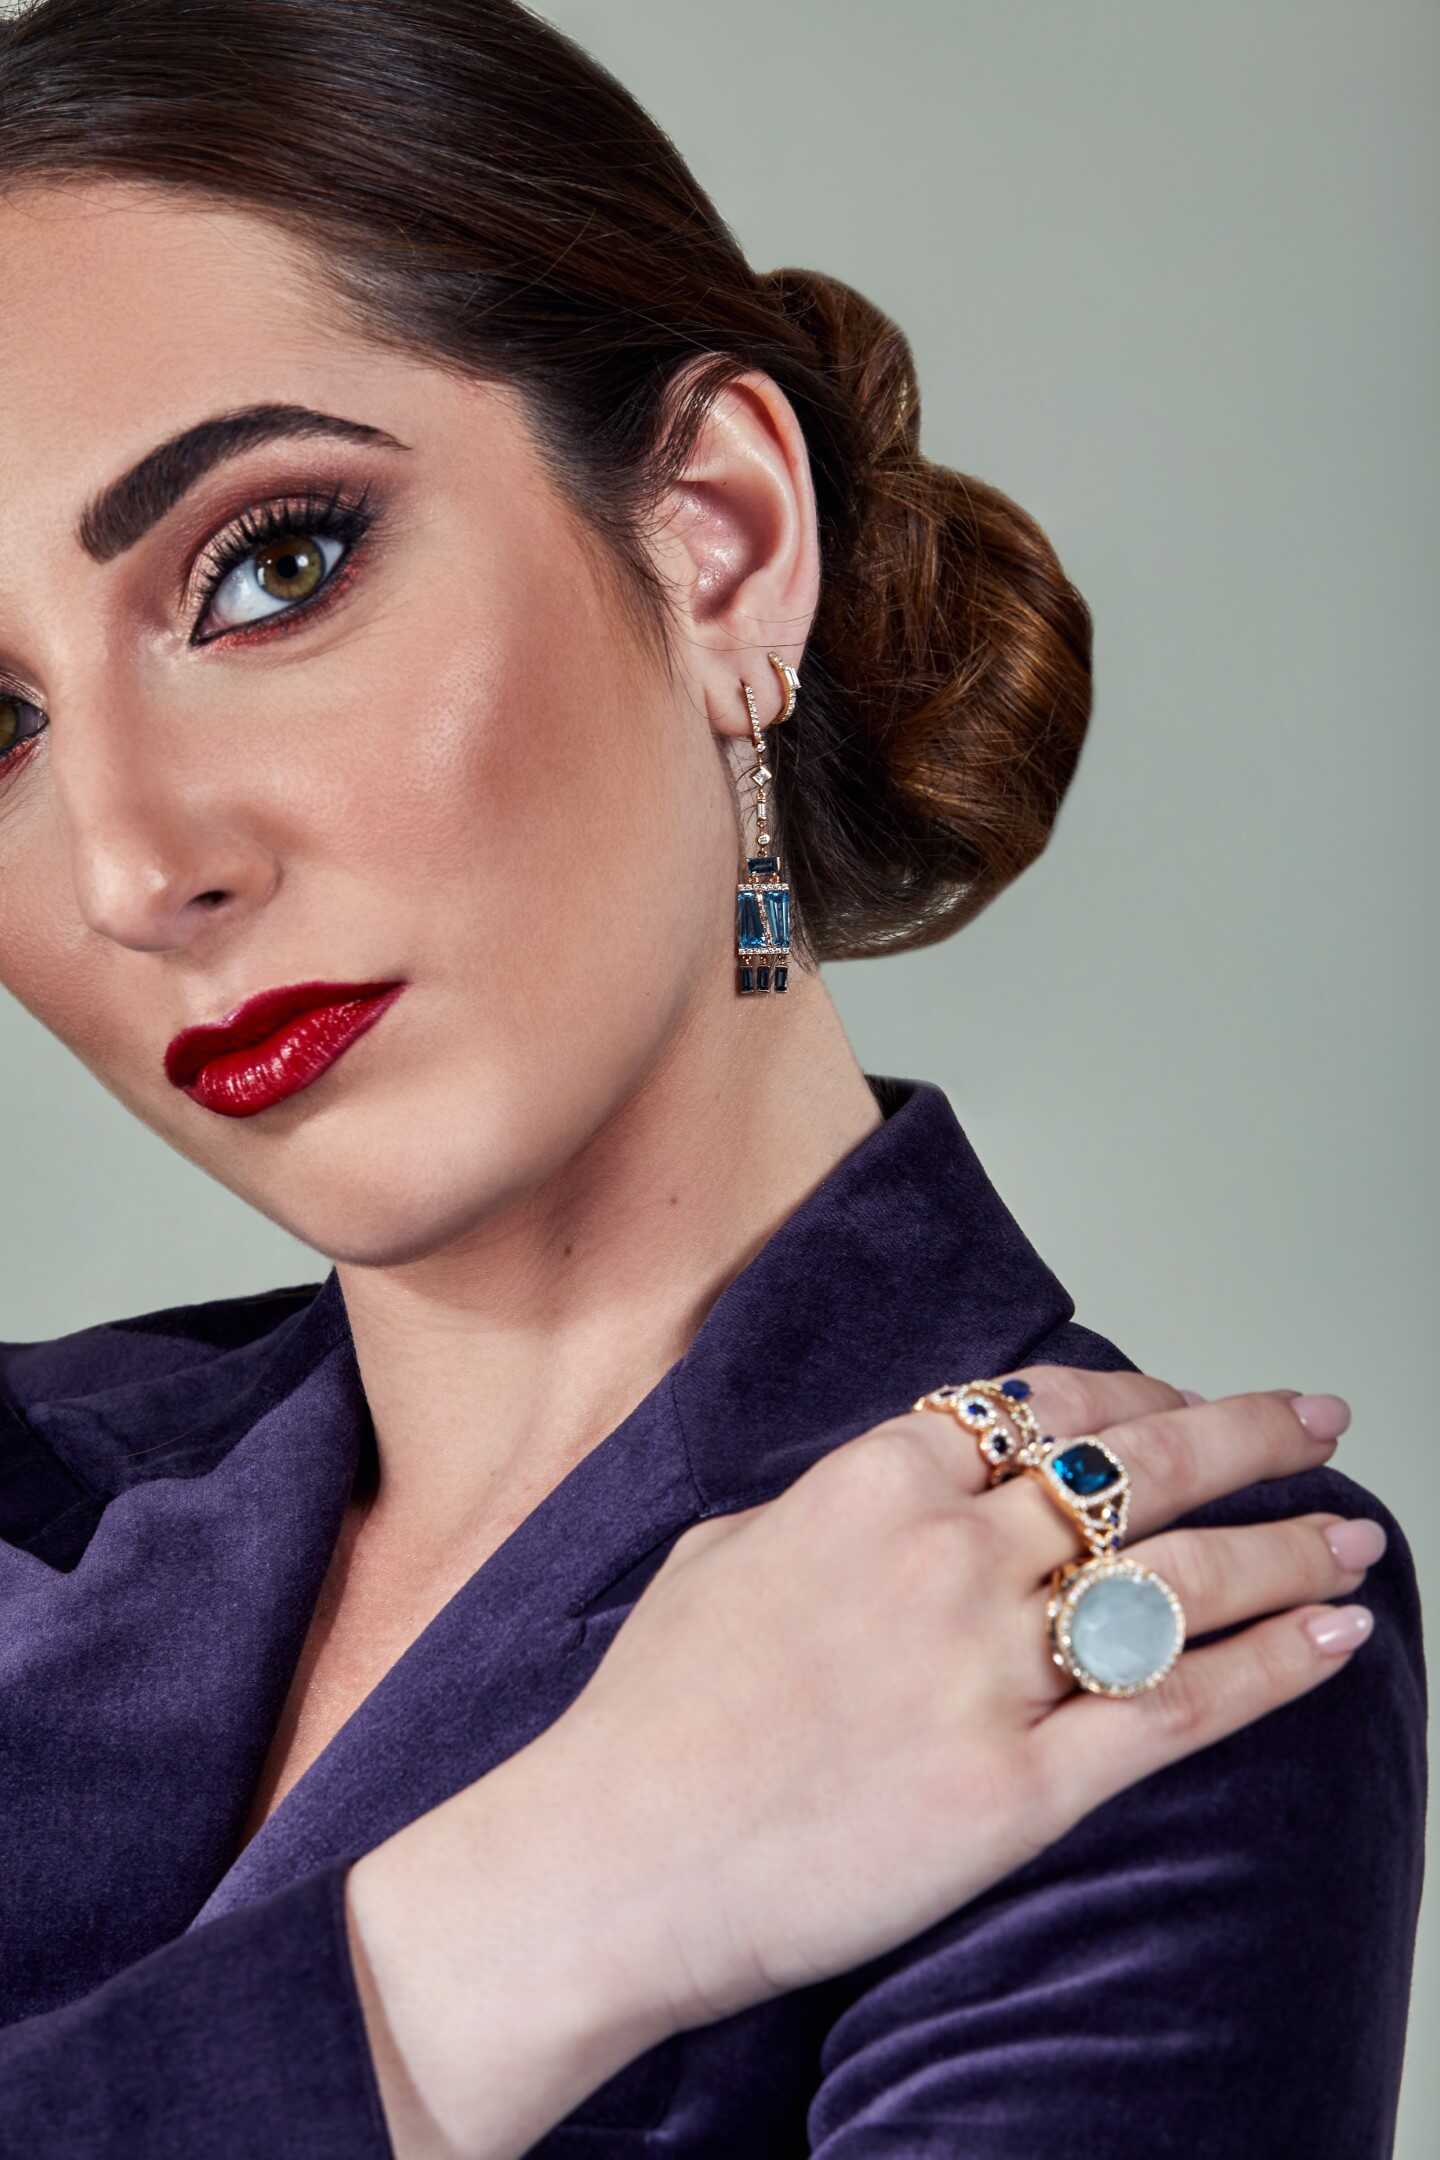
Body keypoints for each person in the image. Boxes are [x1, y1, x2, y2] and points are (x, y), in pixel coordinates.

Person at [0, 1, 1425, 2155]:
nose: (132, 869)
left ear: (720, 538)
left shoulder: (1097, 1600)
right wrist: (509, 1932)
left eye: (272, 567)